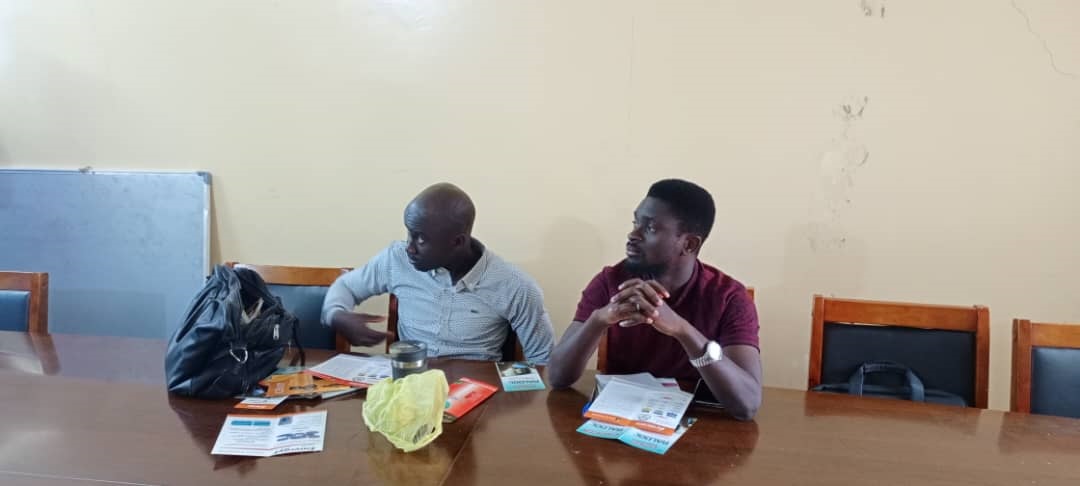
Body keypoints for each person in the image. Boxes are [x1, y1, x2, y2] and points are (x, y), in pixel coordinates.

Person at [547, 179, 762, 420]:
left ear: (689, 244)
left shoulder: (729, 297)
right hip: (620, 420)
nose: (632, 235)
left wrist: (682, 330)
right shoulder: (611, 282)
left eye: (649, 228)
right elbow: (558, 377)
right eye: (635, 223)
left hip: (698, 425)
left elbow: (747, 405)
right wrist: (599, 319)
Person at [320, 183, 555, 363]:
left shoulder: (514, 286)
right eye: (409, 234)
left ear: (457, 242)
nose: (409, 247)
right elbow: (345, 286)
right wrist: (336, 315)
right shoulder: (396, 260)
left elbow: (543, 361)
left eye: (421, 239)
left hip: (477, 392)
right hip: (408, 385)